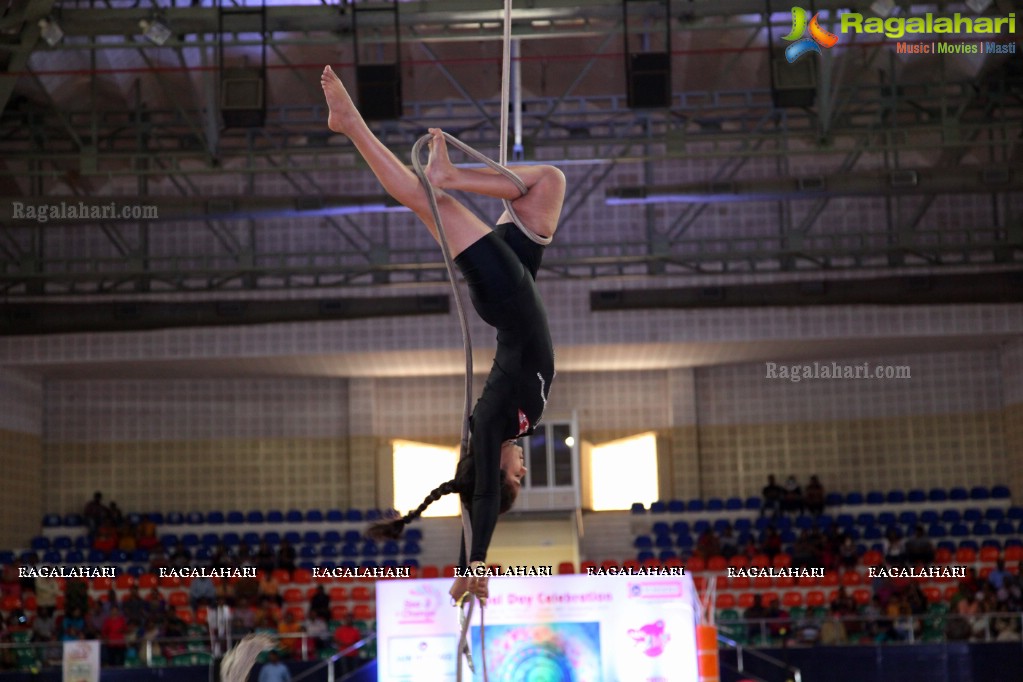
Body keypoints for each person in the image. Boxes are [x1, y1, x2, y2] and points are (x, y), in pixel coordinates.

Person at [323, 64, 565, 604]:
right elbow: (479, 496)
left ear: (500, 472)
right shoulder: (518, 427)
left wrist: (475, 566)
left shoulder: (489, 425)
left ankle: (354, 127)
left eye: (517, 480)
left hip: (506, 299)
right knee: (547, 185)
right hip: (522, 286)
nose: (524, 471)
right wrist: (468, 558)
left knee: (428, 202)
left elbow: (480, 498)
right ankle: (439, 175)